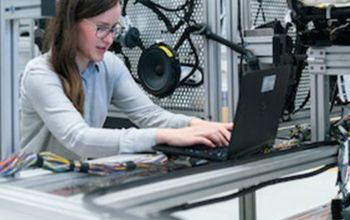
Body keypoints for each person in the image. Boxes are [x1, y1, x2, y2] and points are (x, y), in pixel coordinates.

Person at [20, 0, 233, 160]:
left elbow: (150, 116)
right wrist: (163, 136)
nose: (110, 39)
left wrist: (200, 126)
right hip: (38, 188)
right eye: (101, 28)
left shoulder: (109, 65)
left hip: (74, 181)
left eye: (114, 29)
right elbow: (79, 139)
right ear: (71, 24)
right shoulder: (40, 74)